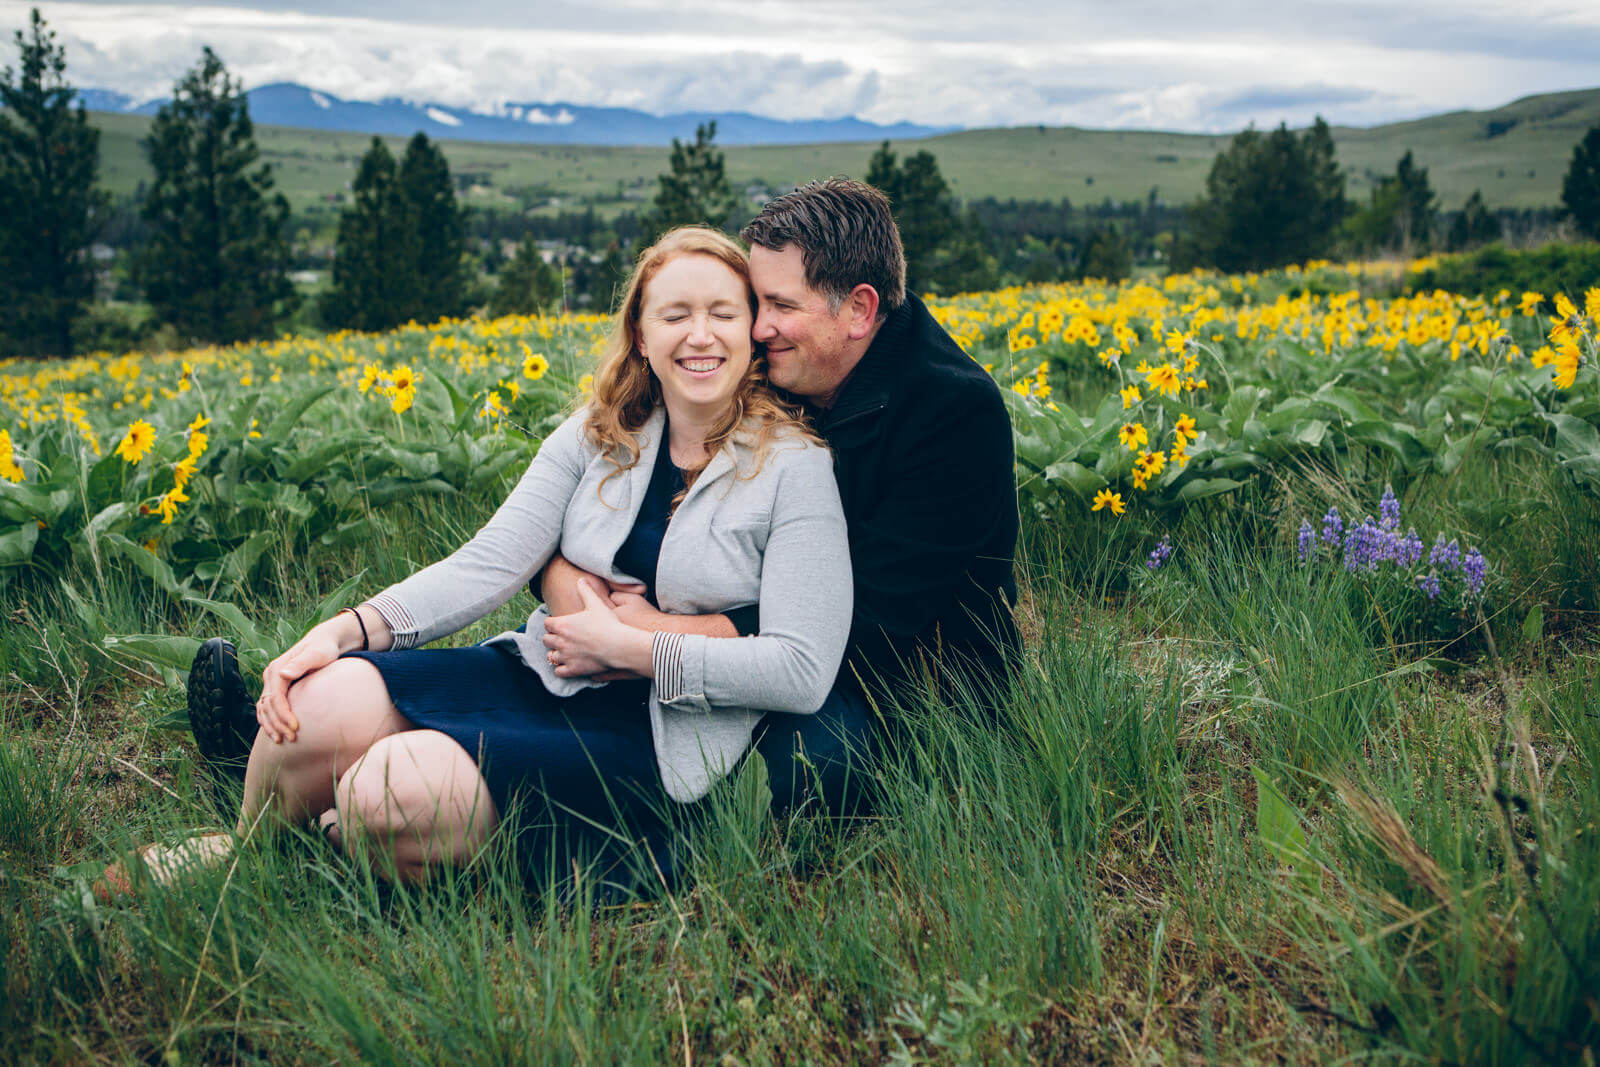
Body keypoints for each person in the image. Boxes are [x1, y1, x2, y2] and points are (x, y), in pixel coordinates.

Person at [112, 226, 852, 893]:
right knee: (316, 704)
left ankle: (356, 824)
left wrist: (633, 649)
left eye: (723, 312)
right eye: (675, 314)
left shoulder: (795, 467)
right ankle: (249, 845)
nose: (701, 335)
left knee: (388, 795)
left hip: (657, 740)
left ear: (753, 330)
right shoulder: (598, 434)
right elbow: (487, 561)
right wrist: (346, 629)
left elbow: (801, 668)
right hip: (539, 674)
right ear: (641, 333)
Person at [541, 179, 1020, 821]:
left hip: (899, 684)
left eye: (780, 305)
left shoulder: (952, 413)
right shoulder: (779, 363)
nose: (759, 327)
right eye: (756, 302)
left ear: (858, 309)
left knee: (811, 779)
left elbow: (873, 623)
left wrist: (652, 636)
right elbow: (614, 509)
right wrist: (575, 583)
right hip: (735, 648)